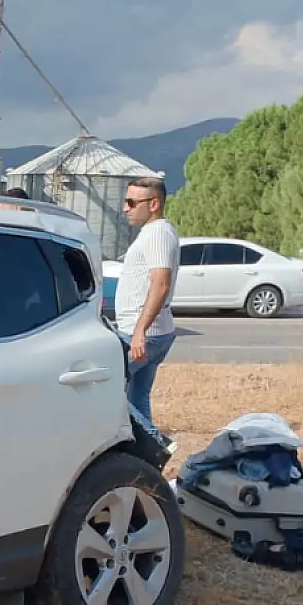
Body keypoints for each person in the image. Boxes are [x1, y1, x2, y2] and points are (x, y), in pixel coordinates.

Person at [112, 176, 181, 428]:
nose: (125, 208)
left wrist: (139, 331)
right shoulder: (154, 233)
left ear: (153, 204)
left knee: (107, 392)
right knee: (136, 399)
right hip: (148, 332)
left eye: (131, 202)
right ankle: (150, 459)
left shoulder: (157, 234)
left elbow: (161, 284)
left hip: (143, 335)